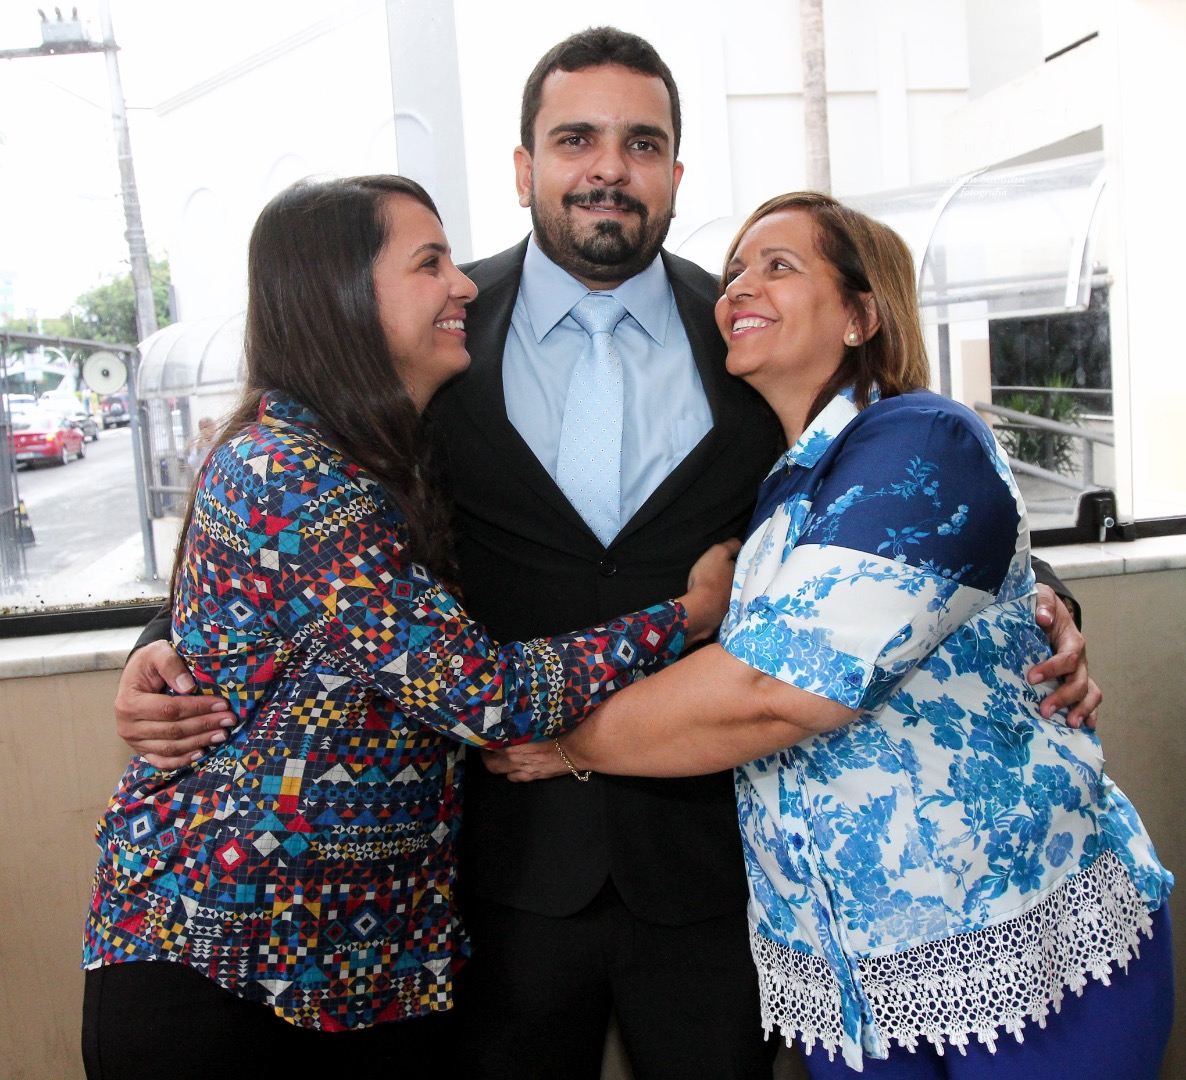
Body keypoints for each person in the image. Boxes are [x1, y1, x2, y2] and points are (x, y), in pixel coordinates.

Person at [110, 28, 1099, 1080]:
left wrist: (1039, 594)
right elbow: (313, 531)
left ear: (675, 171)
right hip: (492, 862)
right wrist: (167, 642)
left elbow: (885, 498)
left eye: (641, 142)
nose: (607, 168)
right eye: (575, 138)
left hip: (715, 865)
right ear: (525, 166)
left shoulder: (753, 339)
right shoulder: (427, 333)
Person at [81, 174, 737, 1080]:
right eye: (429, 264)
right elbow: (479, 691)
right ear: (342, 301)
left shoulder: (384, 449)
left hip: (365, 963)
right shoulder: (289, 472)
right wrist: (690, 615)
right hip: (230, 958)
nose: (461, 283)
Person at [530, 193, 1174, 1079]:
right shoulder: (782, 496)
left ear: (861, 316)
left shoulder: (922, 436)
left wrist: (562, 743)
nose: (738, 288)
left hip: (1016, 938)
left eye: (778, 266)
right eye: (734, 272)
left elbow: (778, 691)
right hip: (851, 977)